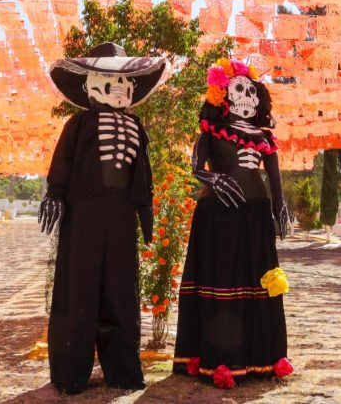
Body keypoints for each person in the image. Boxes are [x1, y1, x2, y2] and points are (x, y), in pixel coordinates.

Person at [39, 43, 169, 394]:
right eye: (112, 79)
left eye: (125, 80)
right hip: (84, 215)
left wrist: (145, 210)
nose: (121, 86)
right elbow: (63, 162)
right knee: (79, 285)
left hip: (122, 216)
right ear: (91, 84)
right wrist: (54, 193)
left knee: (121, 288)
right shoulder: (79, 124)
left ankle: (123, 371)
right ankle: (71, 371)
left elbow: (143, 172)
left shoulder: (136, 126)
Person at [172, 58, 293, 388]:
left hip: (257, 215)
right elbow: (196, 168)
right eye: (240, 90)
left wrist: (279, 207)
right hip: (219, 212)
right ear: (222, 95)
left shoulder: (265, 138)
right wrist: (213, 179)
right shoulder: (211, 131)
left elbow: (274, 178)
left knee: (260, 280)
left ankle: (264, 357)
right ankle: (220, 359)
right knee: (223, 278)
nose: (247, 97)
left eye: (252, 92)